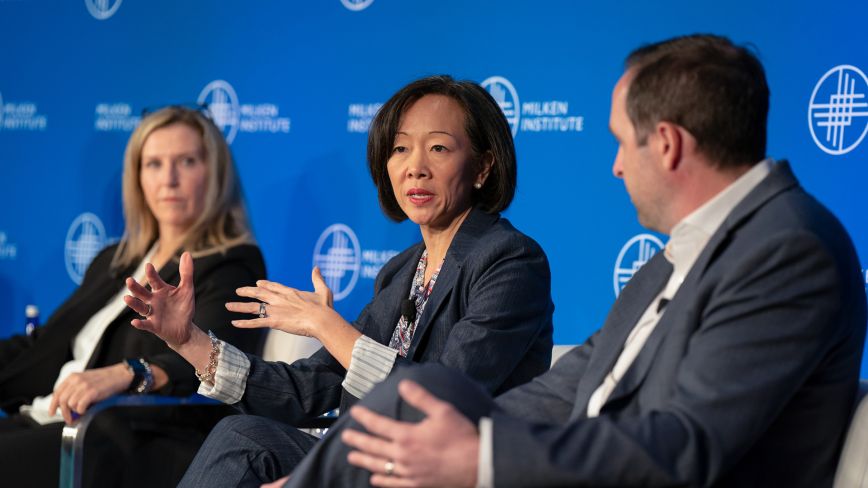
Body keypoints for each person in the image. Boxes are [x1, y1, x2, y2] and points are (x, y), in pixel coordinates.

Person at [280, 34, 868, 488]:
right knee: (418, 395)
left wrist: (480, 456)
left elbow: (687, 445)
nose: (615, 167)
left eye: (619, 141)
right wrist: (448, 433)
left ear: (666, 144)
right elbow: (573, 384)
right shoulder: (686, 255)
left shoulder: (788, 250)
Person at [124, 75, 555, 486]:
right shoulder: (403, 271)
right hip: (368, 463)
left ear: (482, 167)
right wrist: (189, 342)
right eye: (400, 149)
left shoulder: (509, 261)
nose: (415, 168)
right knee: (242, 437)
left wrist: (325, 326)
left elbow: (439, 401)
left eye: (439, 148)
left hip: (442, 471)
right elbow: (311, 390)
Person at [0, 105, 266, 487]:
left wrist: (129, 373)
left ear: (215, 175)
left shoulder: (232, 263)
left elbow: (215, 359)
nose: (169, 179)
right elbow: (40, 349)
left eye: (186, 161)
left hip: (119, 438)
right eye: (154, 164)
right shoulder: (114, 260)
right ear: (137, 177)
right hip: (50, 417)